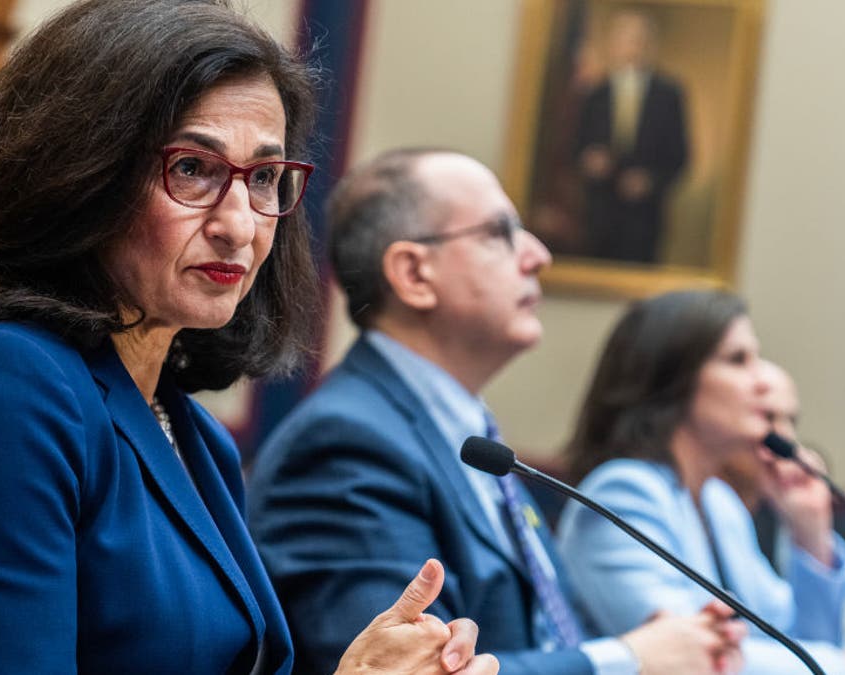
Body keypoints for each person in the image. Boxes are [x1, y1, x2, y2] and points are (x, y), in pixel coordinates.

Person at [0, 2, 497, 674]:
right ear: (79, 175)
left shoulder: (197, 437)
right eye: (192, 168)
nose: (239, 224)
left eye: (262, 178)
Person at [247, 149, 743, 675]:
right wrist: (627, 659)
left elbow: (546, 630)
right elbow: (416, 670)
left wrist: (679, 637)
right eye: (499, 232)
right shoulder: (345, 444)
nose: (538, 255)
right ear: (415, 273)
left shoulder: (469, 437)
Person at [557, 289, 845, 674]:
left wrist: (810, 533)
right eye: (738, 360)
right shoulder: (623, 492)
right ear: (673, 378)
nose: (764, 381)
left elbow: (798, 643)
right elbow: (700, 657)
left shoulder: (719, 502)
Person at [575, 9, 689, 264]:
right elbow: (574, 148)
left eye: (639, 38)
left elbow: (681, 157)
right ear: (612, 43)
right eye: (625, 38)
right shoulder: (594, 95)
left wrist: (650, 181)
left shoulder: (669, 95)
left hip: (644, 220)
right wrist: (590, 161)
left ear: (650, 44)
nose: (632, 46)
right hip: (599, 215)